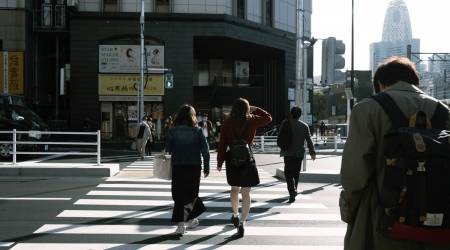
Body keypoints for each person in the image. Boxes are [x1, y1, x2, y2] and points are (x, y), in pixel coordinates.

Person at [340, 57, 450, 250]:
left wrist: (348, 210)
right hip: (437, 225)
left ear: (381, 84)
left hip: (383, 222)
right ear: (414, 82)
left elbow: (355, 174)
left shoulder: (368, 109)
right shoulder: (443, 111)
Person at [217, 98, 272, 237]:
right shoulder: (252, 119)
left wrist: (220, 161)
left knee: (234, 189)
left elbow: (222, 143)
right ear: (248, 108)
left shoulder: (228, 122)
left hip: (232, 158)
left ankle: (235, 214)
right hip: (247, 158)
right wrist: (256, 109)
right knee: (246, 192)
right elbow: (268, 118)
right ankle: (242, 222)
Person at [165, 104, 210, 236]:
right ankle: (191, 219)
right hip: (194, 166)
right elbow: (205, 151)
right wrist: (206, 166)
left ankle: (181, 225)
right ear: (192, 117)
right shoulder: (197, 131)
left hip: (178, 165)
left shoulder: (173, 131)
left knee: (178, 195)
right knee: (191, 194)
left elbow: (168, 149)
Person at [279, 107, 316, 203]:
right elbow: (309, 140)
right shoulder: (304, 126)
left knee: (288, 173)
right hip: (299, 153)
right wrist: (312, 153)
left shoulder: (285, 123)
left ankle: (292, 191)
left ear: (291, 114)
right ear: (300, 115)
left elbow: (280, 137)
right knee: (296, 173)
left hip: (288, 152)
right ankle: (294, 190)